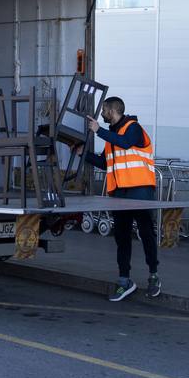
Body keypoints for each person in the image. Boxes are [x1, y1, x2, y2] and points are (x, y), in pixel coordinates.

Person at [78, 96, 161, 301]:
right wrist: (83, 154)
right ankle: (124, 280)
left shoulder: (133, 128)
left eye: (104, 110)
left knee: (146, 233)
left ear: (113, 111)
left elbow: (124, 144)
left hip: (140, 190)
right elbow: (107, 164)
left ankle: (153, 276)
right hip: (119, 194)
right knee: (121, 237)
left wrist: (99, 131)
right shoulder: (112, 136)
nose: (102, 115)